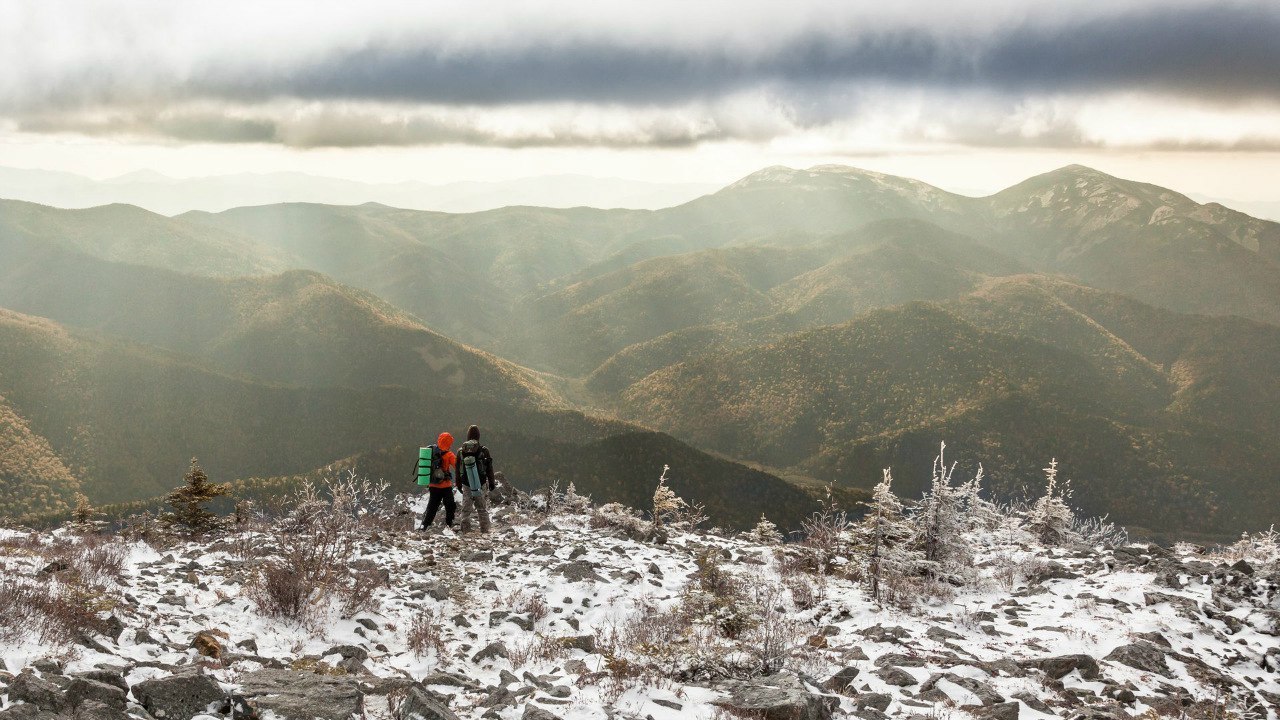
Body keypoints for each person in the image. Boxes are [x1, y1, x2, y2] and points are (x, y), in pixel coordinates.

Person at [454, 425, 494, 534]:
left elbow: (457, 469)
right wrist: (491, 482)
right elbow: (489, 468)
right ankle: (485, 530)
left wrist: (458, 484)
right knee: (481, 508)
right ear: (478, 436)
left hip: (466, 483)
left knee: (466, 509)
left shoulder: (461, 451)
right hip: (480, 482)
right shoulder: (484, 450)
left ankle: (465, 531)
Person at [421, 431, 457, 531]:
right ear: (449, 443)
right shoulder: (449, 454)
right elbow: (458, 466)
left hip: (433, 485)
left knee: (432, 506)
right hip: (446, 486)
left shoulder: (432, 452)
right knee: (450, 505)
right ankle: (449, 524)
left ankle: (425, 525)